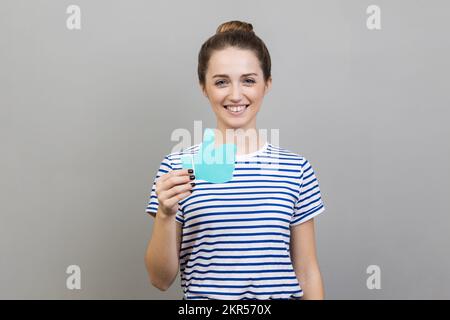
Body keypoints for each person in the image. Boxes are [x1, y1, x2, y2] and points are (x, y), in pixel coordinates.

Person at [145, 20, 326, 300]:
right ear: (203, 87)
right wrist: (166, 215)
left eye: (249, 80)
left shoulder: (296, 169)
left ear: (267, 84)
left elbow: (307, 271)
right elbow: (160, 279)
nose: (235, 95)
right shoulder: (178, 167)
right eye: (221, 82)